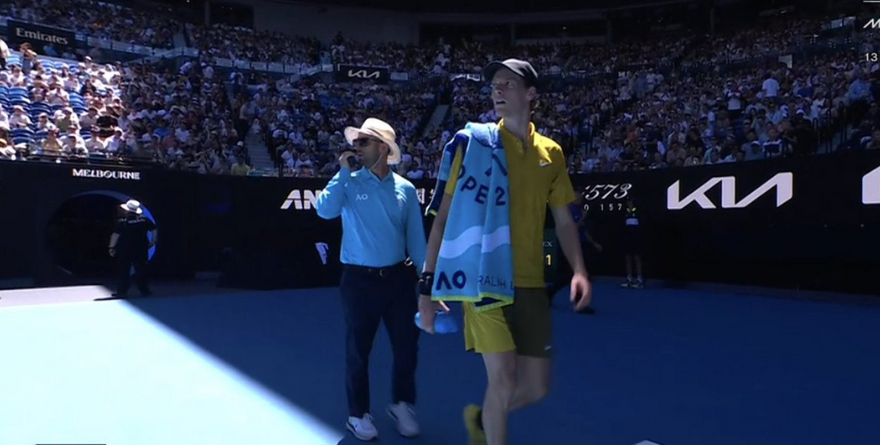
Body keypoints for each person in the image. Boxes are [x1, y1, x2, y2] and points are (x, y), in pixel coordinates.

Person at [418, 59, 592, 445]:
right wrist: (427, 286)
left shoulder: (552, 153)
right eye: (495, 84)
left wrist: (579, 270)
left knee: (536, 388)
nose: (498, 90)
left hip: (531, 285)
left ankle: (482, 419)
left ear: (531, 94)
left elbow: (563, 220)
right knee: (504, 379)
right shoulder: (473, 145)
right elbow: (442, 218)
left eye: (508, 84)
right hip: (484, 282)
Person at [314, 117, 427, 442]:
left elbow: (416, 242)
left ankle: (402, 404)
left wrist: (427, 284)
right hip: (358, 282)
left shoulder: (405, 189)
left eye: (363, 142)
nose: (356, 148)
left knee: (407, 347)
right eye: (356, 143)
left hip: (398, 281)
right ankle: (357, 415)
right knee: (358, 351)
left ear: (382, 148)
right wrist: (342, 173)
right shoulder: (348, 180)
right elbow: (324, 211)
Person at [548, 191, 600, 314]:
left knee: (578, 275)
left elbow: (583, 231)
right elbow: (572, 228)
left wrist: (594, 243)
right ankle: (552, 292)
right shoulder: (569, 210)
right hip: (570, 247)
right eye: (577, 197)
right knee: (570, 275)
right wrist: (583, 218)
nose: (580, 199)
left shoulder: (577, 210)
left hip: (580, 246)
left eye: (581, 197)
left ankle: (578, 301)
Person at [108, 199, 156, 298]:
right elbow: (154, 229)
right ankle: (144, 290)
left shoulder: (122, 221)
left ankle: (122, 292)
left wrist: (111, 247)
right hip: (141, 248)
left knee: (124, 271)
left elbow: (115, 235)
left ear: (126, 210)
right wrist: (153, 241)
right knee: (141, 269)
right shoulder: (144, 219)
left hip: (125, 249)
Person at [621, 196, 645, 288]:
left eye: (630, 202)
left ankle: (639, 279)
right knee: (628, 258)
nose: (629, 203)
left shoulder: (638, 212)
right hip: (627, 239)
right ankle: (629, 278)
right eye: (628, 202)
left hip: (637, 239)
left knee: (637, 258)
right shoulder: (625, 213)